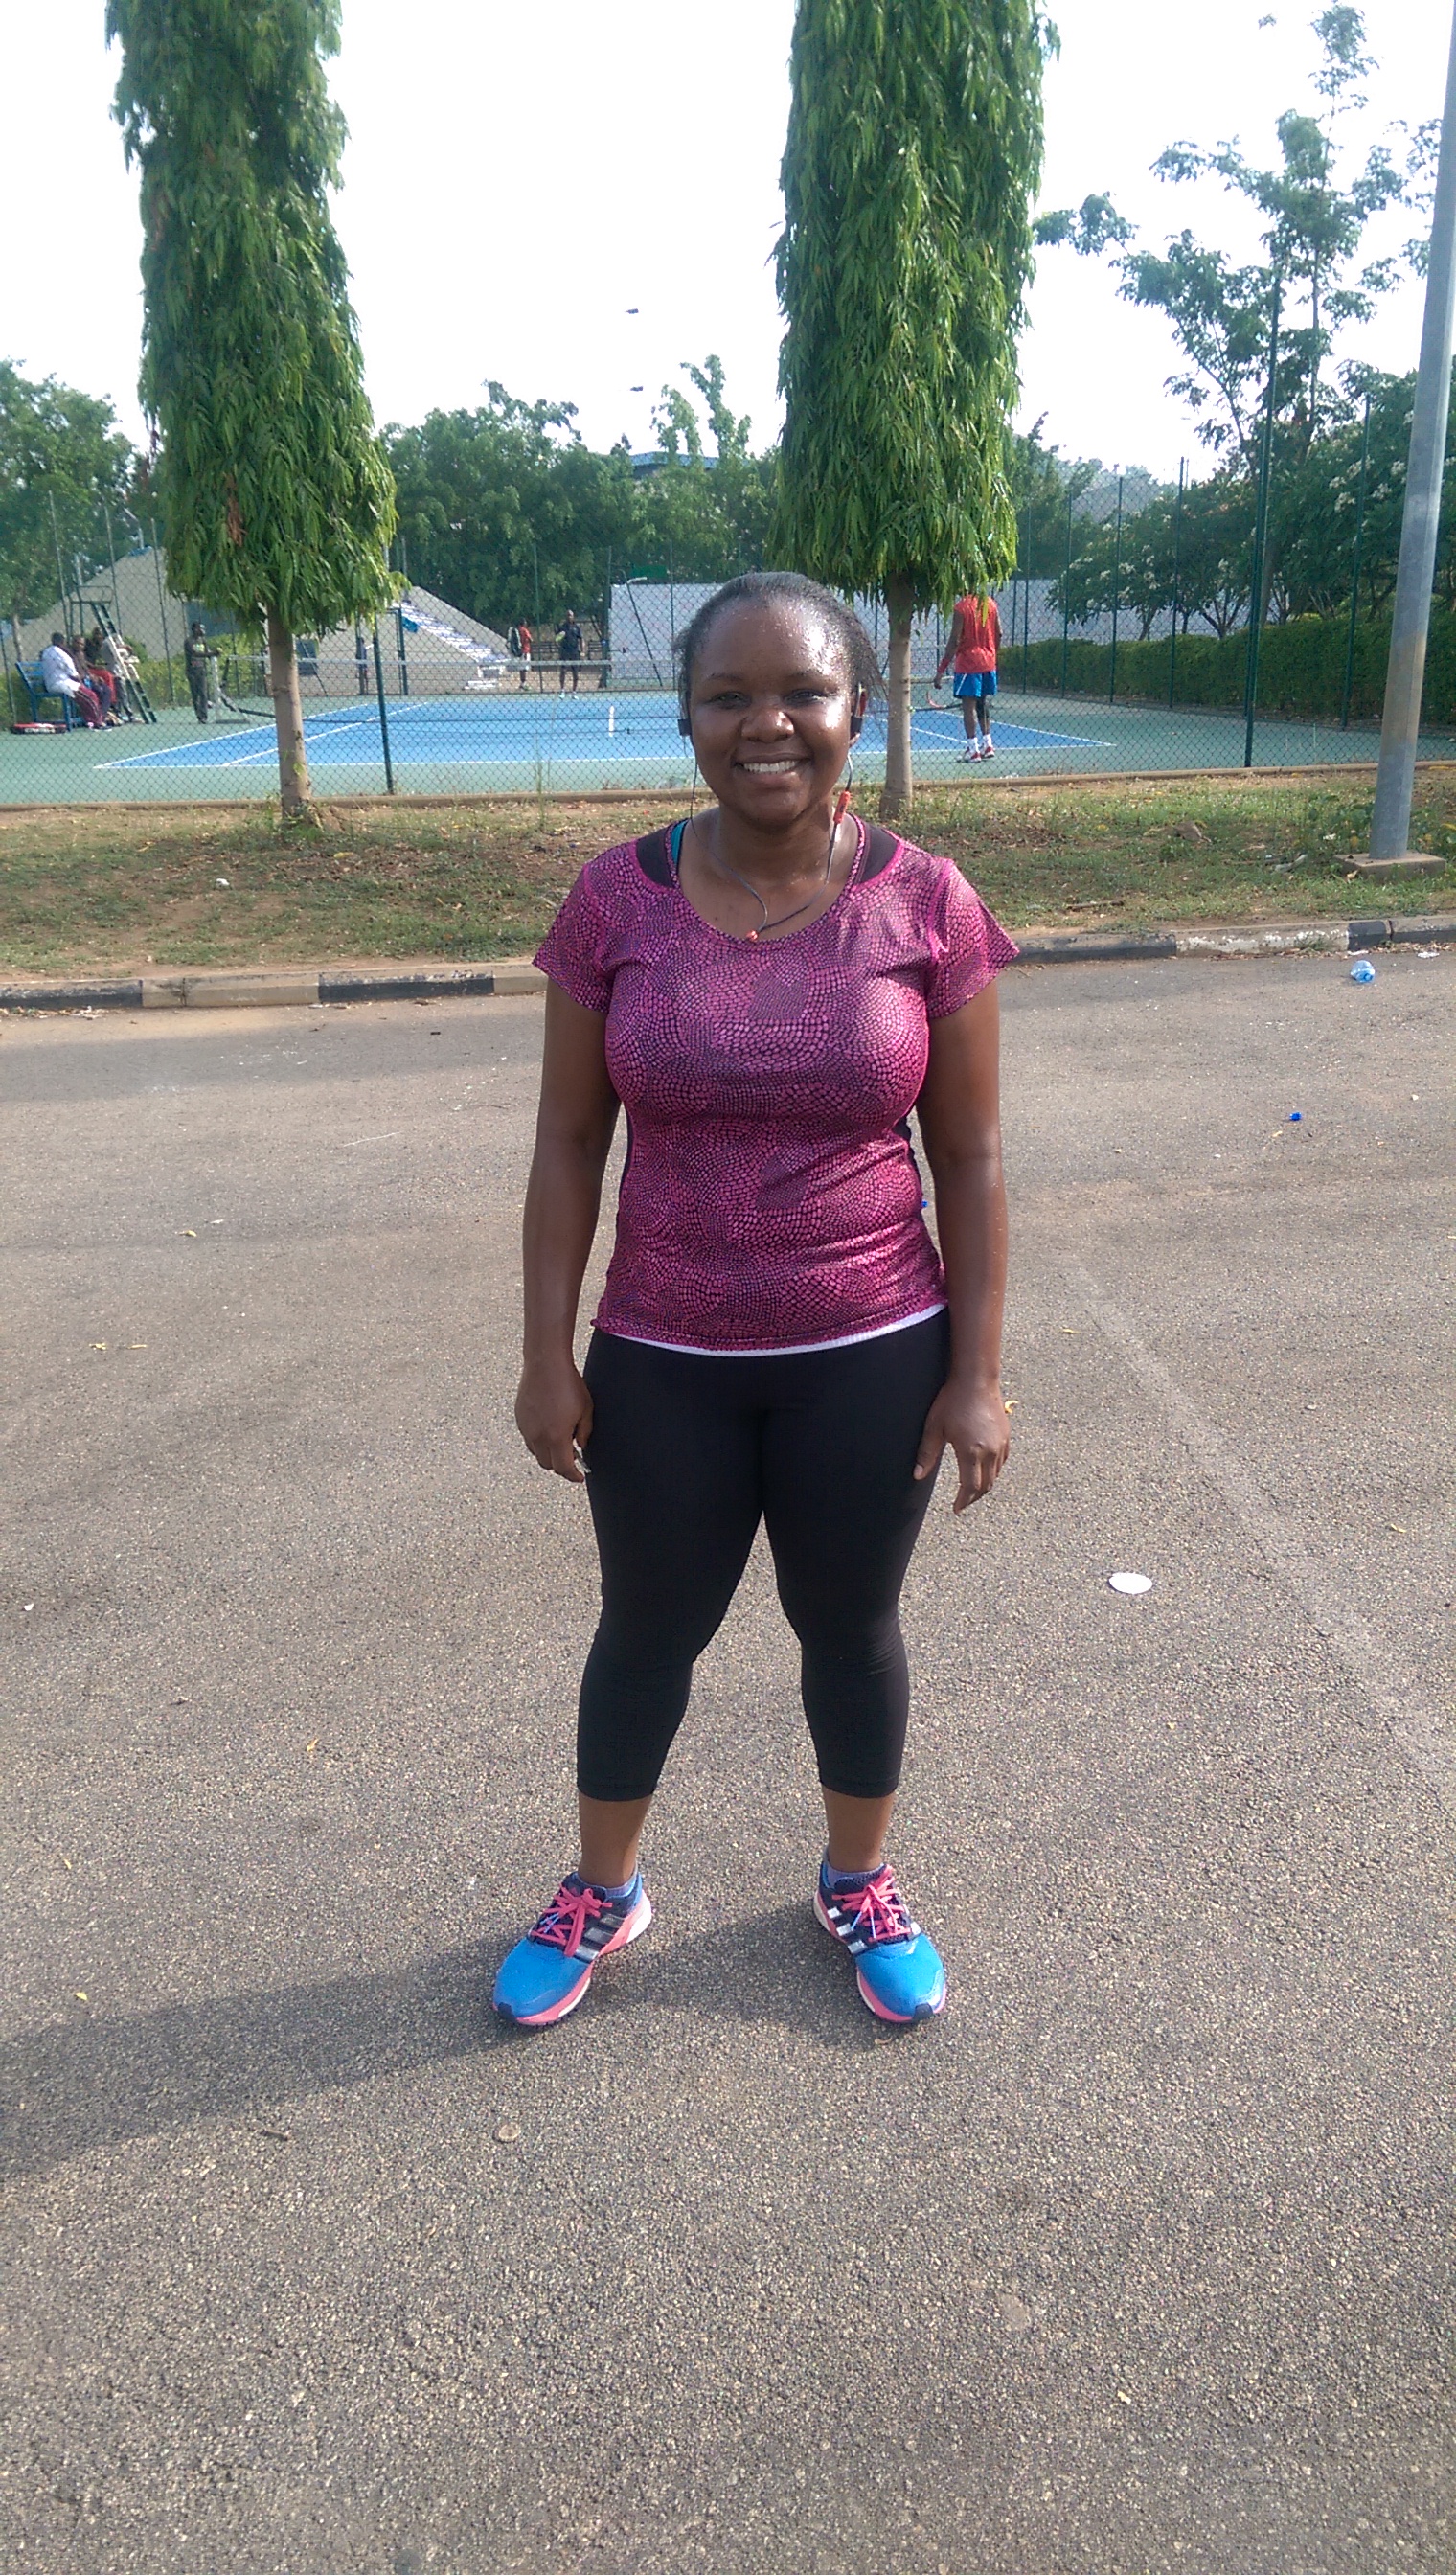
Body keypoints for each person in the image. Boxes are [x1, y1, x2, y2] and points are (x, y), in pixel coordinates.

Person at [496, 568, 1016, 2032]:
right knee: (645, 1629)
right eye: (730, 695)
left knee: (848, 1627)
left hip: (871, 1348)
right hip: (663, 1353)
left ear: (859, 709)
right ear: (687, 716)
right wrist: (546, 1355)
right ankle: (604, 1888)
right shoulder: (616, 899)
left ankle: (858, 1879)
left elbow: (971, 1158)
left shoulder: (926, 902)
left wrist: (978, 1374)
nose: (766, 723)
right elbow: (567, 1142)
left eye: (803, 692)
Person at [935, 591, 1001, 762]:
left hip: (968, 664)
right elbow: (999, 633)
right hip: (988, 662)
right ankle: (988, 745)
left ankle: (973, 750)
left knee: (968, 706)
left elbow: (954, 640)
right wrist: (993, 654)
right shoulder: (990, 603)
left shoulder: (961, 608)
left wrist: (941, 670)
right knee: (982, 703)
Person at [37, 634, 104, 728]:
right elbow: (74, 674)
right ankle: (98, 722)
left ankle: (90, 720)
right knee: (91, 696)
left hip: (51, 683)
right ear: (62, 642)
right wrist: (81, 684)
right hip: (62, 683)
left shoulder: (46, 652)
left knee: (84, 698)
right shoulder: (62, 655)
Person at [183, 621, 214, 724]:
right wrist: (209, 654)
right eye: (201, 628)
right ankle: (199, 715)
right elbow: (195, 654)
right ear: (195, 629)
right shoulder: (189, 641)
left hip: (201, 670)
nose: (203, 631)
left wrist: (213, 654)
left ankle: (204, 716)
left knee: (203, 693)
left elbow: (207, 652)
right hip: (192, 671)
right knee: (195, 695)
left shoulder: (203, 641)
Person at [556, 608, 582, 692]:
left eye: (570, 615)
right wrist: (560, 648)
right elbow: (557, 639)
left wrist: (582, 651)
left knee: (575, 672)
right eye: (567, 615)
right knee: (563, 671)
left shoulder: (577, 627)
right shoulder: (562, 627)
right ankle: (562, 690)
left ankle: (574, 691)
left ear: (573, 616)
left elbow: (581, 639)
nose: (569, 617)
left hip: (574, 652)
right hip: (565, 652)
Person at [509, 620, 533, 690]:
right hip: (525, 650)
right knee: (524, 668)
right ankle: (523, 683)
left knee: (521, 668)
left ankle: (522, 683)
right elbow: (530, 639)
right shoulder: (524, 630)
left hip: (519, 651)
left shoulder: (516, 630)